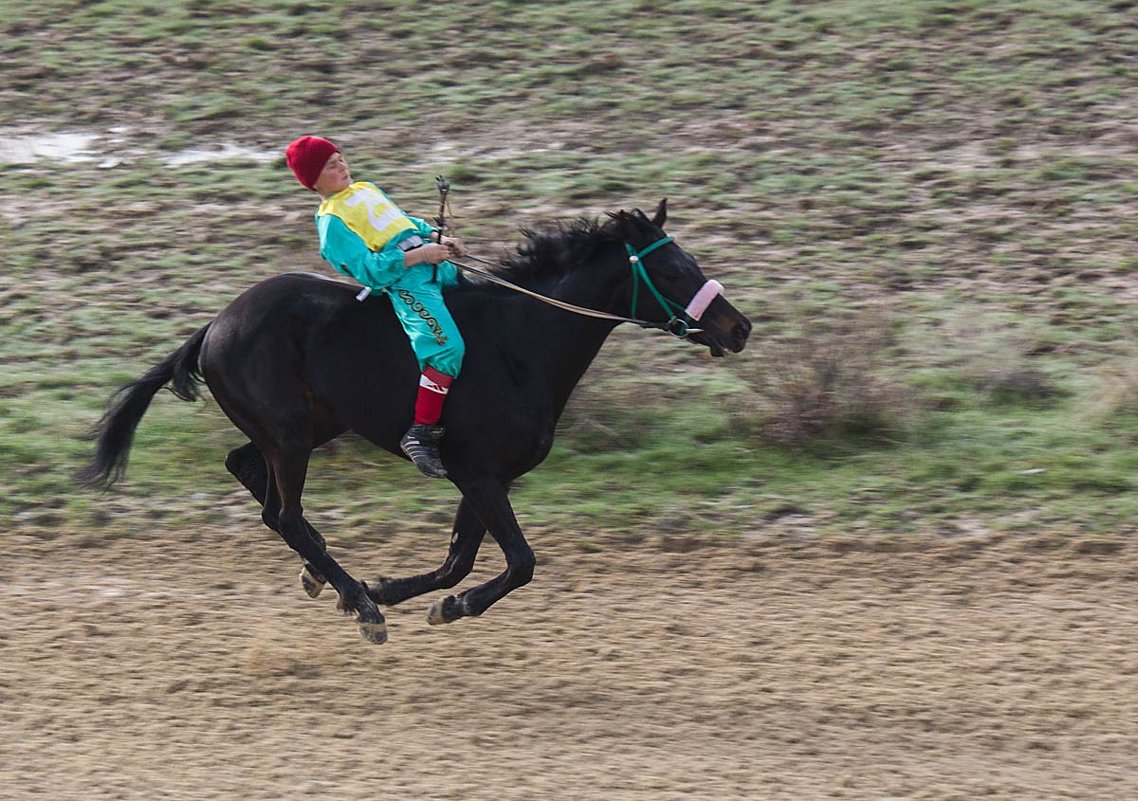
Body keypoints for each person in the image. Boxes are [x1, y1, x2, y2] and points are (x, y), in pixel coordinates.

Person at [285, 135, 467, 479]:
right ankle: (421, 432)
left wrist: (438, 239)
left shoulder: (366, 189)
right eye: (330, 165)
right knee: (447, 348)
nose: (341, 166)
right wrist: (420, 256)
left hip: (438, 268)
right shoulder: (331, 222)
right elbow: (368, 269)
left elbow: (405, 223)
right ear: (313, 180)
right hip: (407, 284)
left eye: (340, 158)